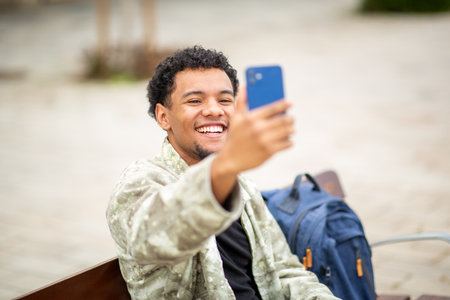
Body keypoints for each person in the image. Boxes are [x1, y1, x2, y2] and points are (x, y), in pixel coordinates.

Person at [106, 46, 340, 300]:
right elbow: (151, 240)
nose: (215, 110)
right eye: (195, 100)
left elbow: (285, 272)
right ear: (164, 117)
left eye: (225, 100)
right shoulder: (140, 181)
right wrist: (227, 164)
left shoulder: (242, 186)